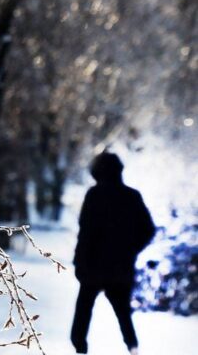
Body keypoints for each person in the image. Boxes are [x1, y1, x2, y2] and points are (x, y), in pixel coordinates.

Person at [70, 152, 156, 354]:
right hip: (121, 268)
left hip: (93, 267)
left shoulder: (94, 195)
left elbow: (86, 232)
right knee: (123, 313)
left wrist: (79, 262)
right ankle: (133, 348)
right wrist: (130, 250)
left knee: (82, 315)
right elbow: (148, 229)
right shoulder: (131, 196)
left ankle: (80, 350)